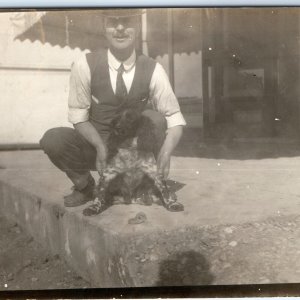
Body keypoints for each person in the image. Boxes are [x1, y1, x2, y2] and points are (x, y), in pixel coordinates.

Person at [40, 8, 186, 215]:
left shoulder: (153, 68)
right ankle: (86, 187)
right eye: (113, 22)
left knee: (156, 118)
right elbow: (78, 118)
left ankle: (147, 185)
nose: (119, 28)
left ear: (137, 27)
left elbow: (174, 117)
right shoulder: (85, 64)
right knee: (53, 139)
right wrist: (100, 146)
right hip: (98, 148)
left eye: (127, 22)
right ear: (103, 27)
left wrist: (166, 151)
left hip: (136, 152)